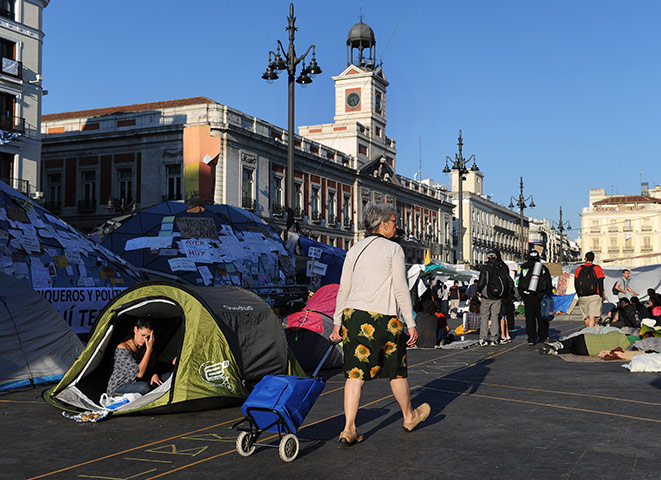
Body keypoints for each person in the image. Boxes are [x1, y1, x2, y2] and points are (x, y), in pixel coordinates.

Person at [330, 203, 430, 446]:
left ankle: (349, 428)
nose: (397, 226)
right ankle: (409, 416)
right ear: (383, 224)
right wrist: (411, 321)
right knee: (396, 371)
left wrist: (336, 322)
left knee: (355, 376)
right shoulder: (393, 249)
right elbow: (400, 288)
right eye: (394, 222)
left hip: (354, 319)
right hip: (384, 318)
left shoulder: (354, 249)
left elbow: (344, 288)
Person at [106, 318, 169, 397]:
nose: (145, 339)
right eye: (142, 335)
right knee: (145, 388)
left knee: (169, 376)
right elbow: (139, 374)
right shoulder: (122, 348)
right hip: (120, 386)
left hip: (140, 381)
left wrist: (153, 374)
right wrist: (149, 350)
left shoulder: (143, 346)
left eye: (148, 337)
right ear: (135, 330)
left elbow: (151, 365)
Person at [476, 249, 513, 346]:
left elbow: (481, 282)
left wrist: (478, 290)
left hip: (486, 296)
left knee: (484, 317)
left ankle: (483, 339)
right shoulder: (501, 267)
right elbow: (510, 282)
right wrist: (505, 293)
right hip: (498, 298)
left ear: (487, 258)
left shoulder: (485, 268)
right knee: (495, 318)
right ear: (496, 257)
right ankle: (494, 338)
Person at [517, 250, 553, 345]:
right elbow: (549, 283)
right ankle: (543, 337)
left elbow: (520, 283)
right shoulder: (543, 268)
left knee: (530, 319)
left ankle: (531, 338)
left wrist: (523, 295)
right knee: (542, 318)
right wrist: (547, 295)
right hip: (541, 297)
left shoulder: (524, 269)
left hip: (528, 297)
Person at [574, 251, 605, 328]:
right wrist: (601, 295)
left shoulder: (579, 268)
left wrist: (579, 294)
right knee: (592, 317)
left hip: (583, 296)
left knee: (586, 317)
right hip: (594, 295)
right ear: (593, 259)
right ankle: (590, 333)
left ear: (585, 258)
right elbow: (600, 282)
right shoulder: (597, 268)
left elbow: (576, 283)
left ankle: (587, 330)